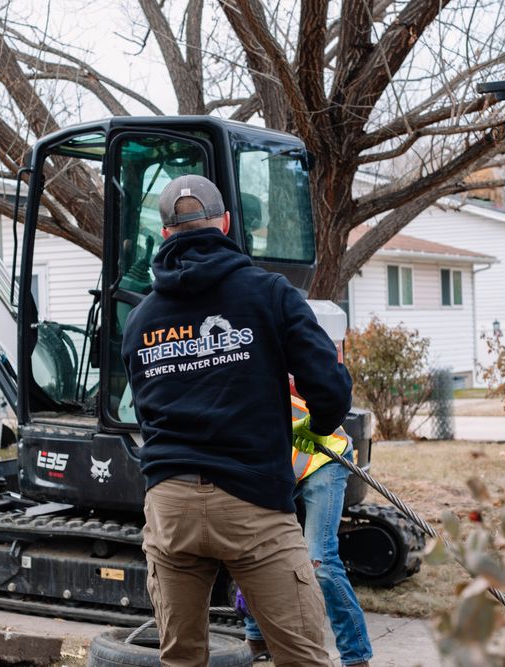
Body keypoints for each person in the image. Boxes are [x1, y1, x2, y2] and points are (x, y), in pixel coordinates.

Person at [121, 174, 353, 666]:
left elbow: (146, 409)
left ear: (165, 235)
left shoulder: (140, 319)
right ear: (225, 224)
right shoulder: (268, 294)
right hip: (252, 503)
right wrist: (317, 427)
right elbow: (328, 385)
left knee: (182, 659)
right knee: (303, 657)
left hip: (170, 508)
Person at [242, 394, 374, 667]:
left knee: (320, 560)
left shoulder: (275, 356)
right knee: (253, 552)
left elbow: (332, 391)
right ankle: (256, 639)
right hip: (276, 466)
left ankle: (356, 656)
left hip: (322, 455)